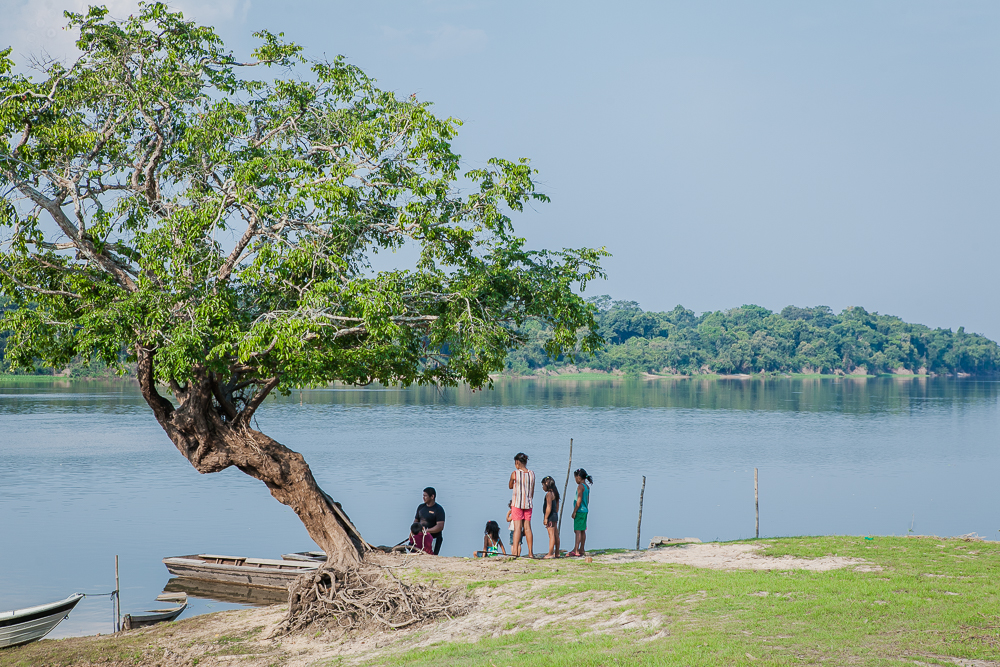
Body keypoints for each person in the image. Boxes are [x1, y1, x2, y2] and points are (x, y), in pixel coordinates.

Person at [508, 452, 535, 557]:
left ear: (517, 462)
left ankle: (515, 553)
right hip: (528, 503)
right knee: (527, 528)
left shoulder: (515, 474)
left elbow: (510, 486)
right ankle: (530, 552)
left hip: (517, 504)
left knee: (517, 528)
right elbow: (532, 490)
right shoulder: (532, 474)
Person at [568, 468, 593, 557]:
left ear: (578, 477)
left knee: (577, 530)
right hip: (585, 510)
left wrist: (574, 511)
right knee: (582, 530)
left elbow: (578, 500)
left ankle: (576, 550)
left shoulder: (580, 487)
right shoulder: (587, 487)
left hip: (579, 511)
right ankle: (581, 549)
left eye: (575, 478)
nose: (575, 480)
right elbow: (587, 500)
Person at [414, 487, 446, 555]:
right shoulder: (421, 507)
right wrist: (414, 531)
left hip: (434, 538)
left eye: (425, 496)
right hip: (421, 537)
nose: (423, 498)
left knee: (431, 556)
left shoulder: (439, 509)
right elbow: (416, 521)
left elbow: (440, 526)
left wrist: (427, 531)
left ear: (432, 496)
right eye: (423, 496)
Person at [541, 475, 560, 558]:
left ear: (547, 485)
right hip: (554, 516)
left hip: (550, 517)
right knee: (556, 535)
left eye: (543, 485)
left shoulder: (549, 494)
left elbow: (548, 507)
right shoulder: (555, 493)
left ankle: (550, 553)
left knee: (551, 535)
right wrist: (555, 512)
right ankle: (557, 552)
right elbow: (557, 506)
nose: (542, 487)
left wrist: (546, 518)